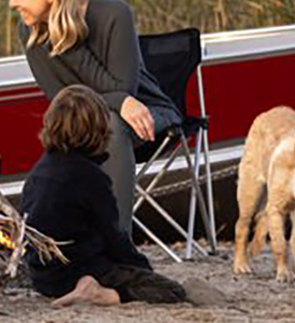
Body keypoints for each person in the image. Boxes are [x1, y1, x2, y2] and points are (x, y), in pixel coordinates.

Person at [5, 0, 181, 231]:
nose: (12, 3)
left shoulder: (113, 13)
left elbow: (125, 91)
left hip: (147, 113)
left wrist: (66, 38)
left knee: (110, 122)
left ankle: (118, 247)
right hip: (83, 120)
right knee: (66, 140)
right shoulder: (31, 28)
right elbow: (61, 99)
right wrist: (62, 32)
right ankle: (53, 245)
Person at [19, 84, 188, 306]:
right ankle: (98, 294)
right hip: (76, 272)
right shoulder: (90, 177)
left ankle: (87, 288)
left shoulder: (39, 171)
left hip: (41, 277)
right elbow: (113, 237)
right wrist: (142, 270)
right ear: (99, 129)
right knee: (173, 292)